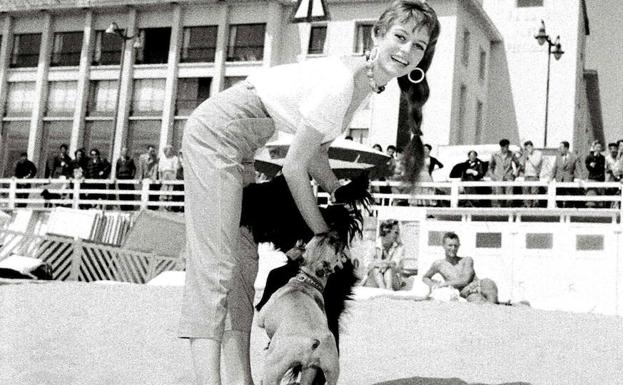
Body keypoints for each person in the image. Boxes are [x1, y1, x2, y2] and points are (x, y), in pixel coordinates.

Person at [178, 1, 441, 384]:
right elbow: (293, 168)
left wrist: (335, 187)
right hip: (216, 135)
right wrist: (321, 231)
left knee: (241, 268)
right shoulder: (342, 84)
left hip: (242, 144)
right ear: (377, 36)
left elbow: (316, 151)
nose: (406, 50)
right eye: (400, 37)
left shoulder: (364, 84)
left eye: (418, 45)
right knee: (216, 270)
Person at [422, 232, 498, 304]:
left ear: (459, 246)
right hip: (466, 291)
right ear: (443, 245)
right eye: (450, 245)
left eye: (456, 246)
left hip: (478, 284)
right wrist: (434, 286)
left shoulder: (467, 260)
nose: (453, 248)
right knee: (477, 300)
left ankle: (496, 308)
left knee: (489, 284)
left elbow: (465, 280)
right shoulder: (439, 264)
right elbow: (425, 277)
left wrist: (443, 284)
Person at [363, 220, 405, 290]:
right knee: (376, 268)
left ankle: (387, 290)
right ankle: (384, 290)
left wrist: (384, 264)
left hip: (393, 279)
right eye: (396, 232)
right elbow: (367, 264)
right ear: (386, 231)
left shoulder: (399, 247)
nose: (398, 235)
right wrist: (380, 264)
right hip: (374, 278)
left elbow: (396, 264)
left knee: (389, 268)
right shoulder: (373, 245)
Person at [487, 138, 520, 207]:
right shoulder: (495, 154)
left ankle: (509, 208)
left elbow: (518, 165)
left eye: (508, 146)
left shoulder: (512, 154)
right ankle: (500, 209)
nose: (507, 148)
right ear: (501, 147)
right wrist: (492, 176)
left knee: (509, 195)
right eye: (505, 147)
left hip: (509, 176)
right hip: (498, 177)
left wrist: (515, 173)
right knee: (499, 195)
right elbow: (490, 166)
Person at [551, 141, 581, 208]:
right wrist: (550, 178)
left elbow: (578, 169)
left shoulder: (574, 157)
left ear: (566, 148)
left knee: (570, 197)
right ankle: (559, 210)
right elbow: (554, 168)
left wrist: (579, 179)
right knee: (558, 197)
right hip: (559, 180)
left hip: (568, 180)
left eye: (561, 147)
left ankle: (568, 209)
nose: (559, 149)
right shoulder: (558, 156)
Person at [518, 140, 543, 208]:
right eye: (526, 148)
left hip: (534, 176)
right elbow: (521, 164)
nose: (528, 149)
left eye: (529, 147)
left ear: (532, 146)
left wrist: (529, 156)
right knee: (526, 192)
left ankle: (535, 206)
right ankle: (527, 206)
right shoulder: (525, 154)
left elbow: (536, 163)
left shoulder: (538, 153)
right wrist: (522, 156)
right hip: (526, 176)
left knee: (534, 192)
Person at [136, 144, 160, 210]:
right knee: (144, 194)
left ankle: (151, 208)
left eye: (153, 151)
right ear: (147, 151)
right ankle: (143, 207)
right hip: (146, 177)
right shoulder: (142, 157)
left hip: (152, 178)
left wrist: (154, 176)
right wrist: (140, 176)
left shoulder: (156, 158)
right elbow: (141, 167)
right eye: (151, 151)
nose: (152, 152)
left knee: (153, 194)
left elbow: (155, 168)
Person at [158, 145, 181, 210]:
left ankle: (168, 204)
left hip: (172, 175)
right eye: (167, 151)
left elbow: (175, 169)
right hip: (164, 175)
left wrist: (174, 177)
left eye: (170, 151)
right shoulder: (162, 158)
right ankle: (163, 205)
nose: (169, 152)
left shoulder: (174, 158)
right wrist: (160, 178)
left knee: (170, 187)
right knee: (164, 187)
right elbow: (160, 169)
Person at [585, 140, 605, 208]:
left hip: (601, 179)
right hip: (592, 178)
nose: (598, 148)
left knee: (600, 199)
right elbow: (590, 168)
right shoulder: (589, 157)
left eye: (600, 147)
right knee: (591, 197)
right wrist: (594, 157)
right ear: (594, 148)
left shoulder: (603, 158)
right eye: (597, 147)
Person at [115, 147, 137, 211]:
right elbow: (117, 169)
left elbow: (134, 169)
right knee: (122, 194)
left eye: (126, 151)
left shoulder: (130, 160)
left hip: (128, 178)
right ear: (121, 152)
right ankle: (123, 208)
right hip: (121, 178)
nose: (124, 153)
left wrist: (132, 176)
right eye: (123, 151)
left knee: (129, 193)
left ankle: (129, 208)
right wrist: (117, 176)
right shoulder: (119, 160)